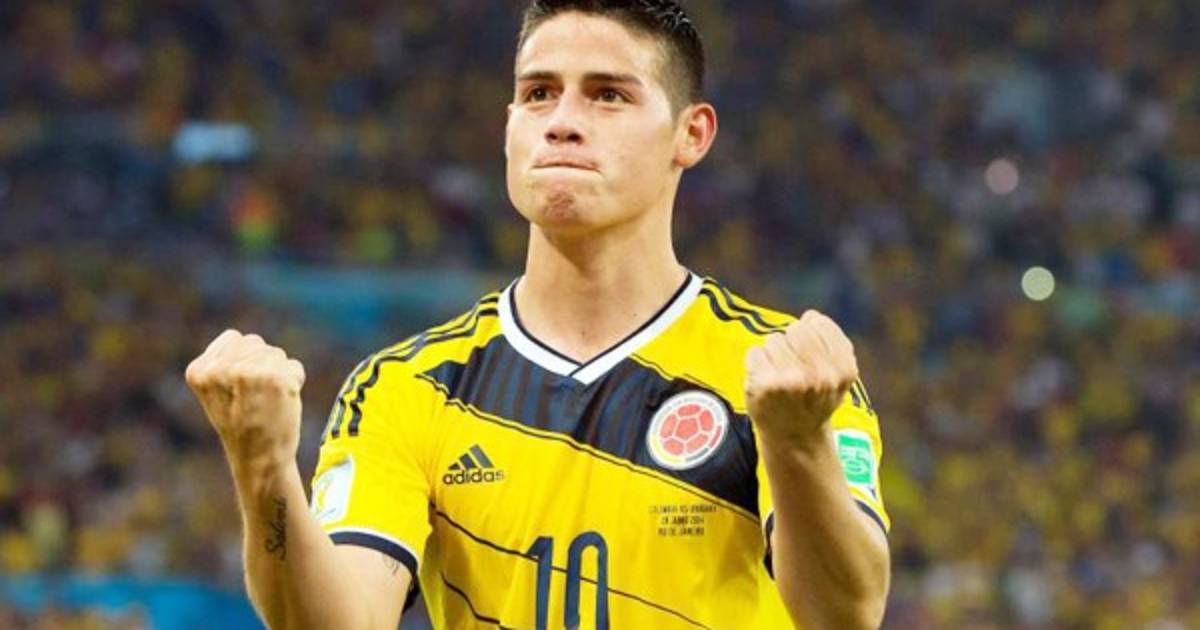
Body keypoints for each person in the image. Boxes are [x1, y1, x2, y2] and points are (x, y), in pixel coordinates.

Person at [184, 1, 891, 628]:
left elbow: (846, 616)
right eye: (538, 94)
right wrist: (263, 468)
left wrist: (798, 445)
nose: (562, 123)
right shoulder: (407, 388)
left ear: (692, 134)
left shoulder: (777, 374)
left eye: (608, 95)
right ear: (509, 128)